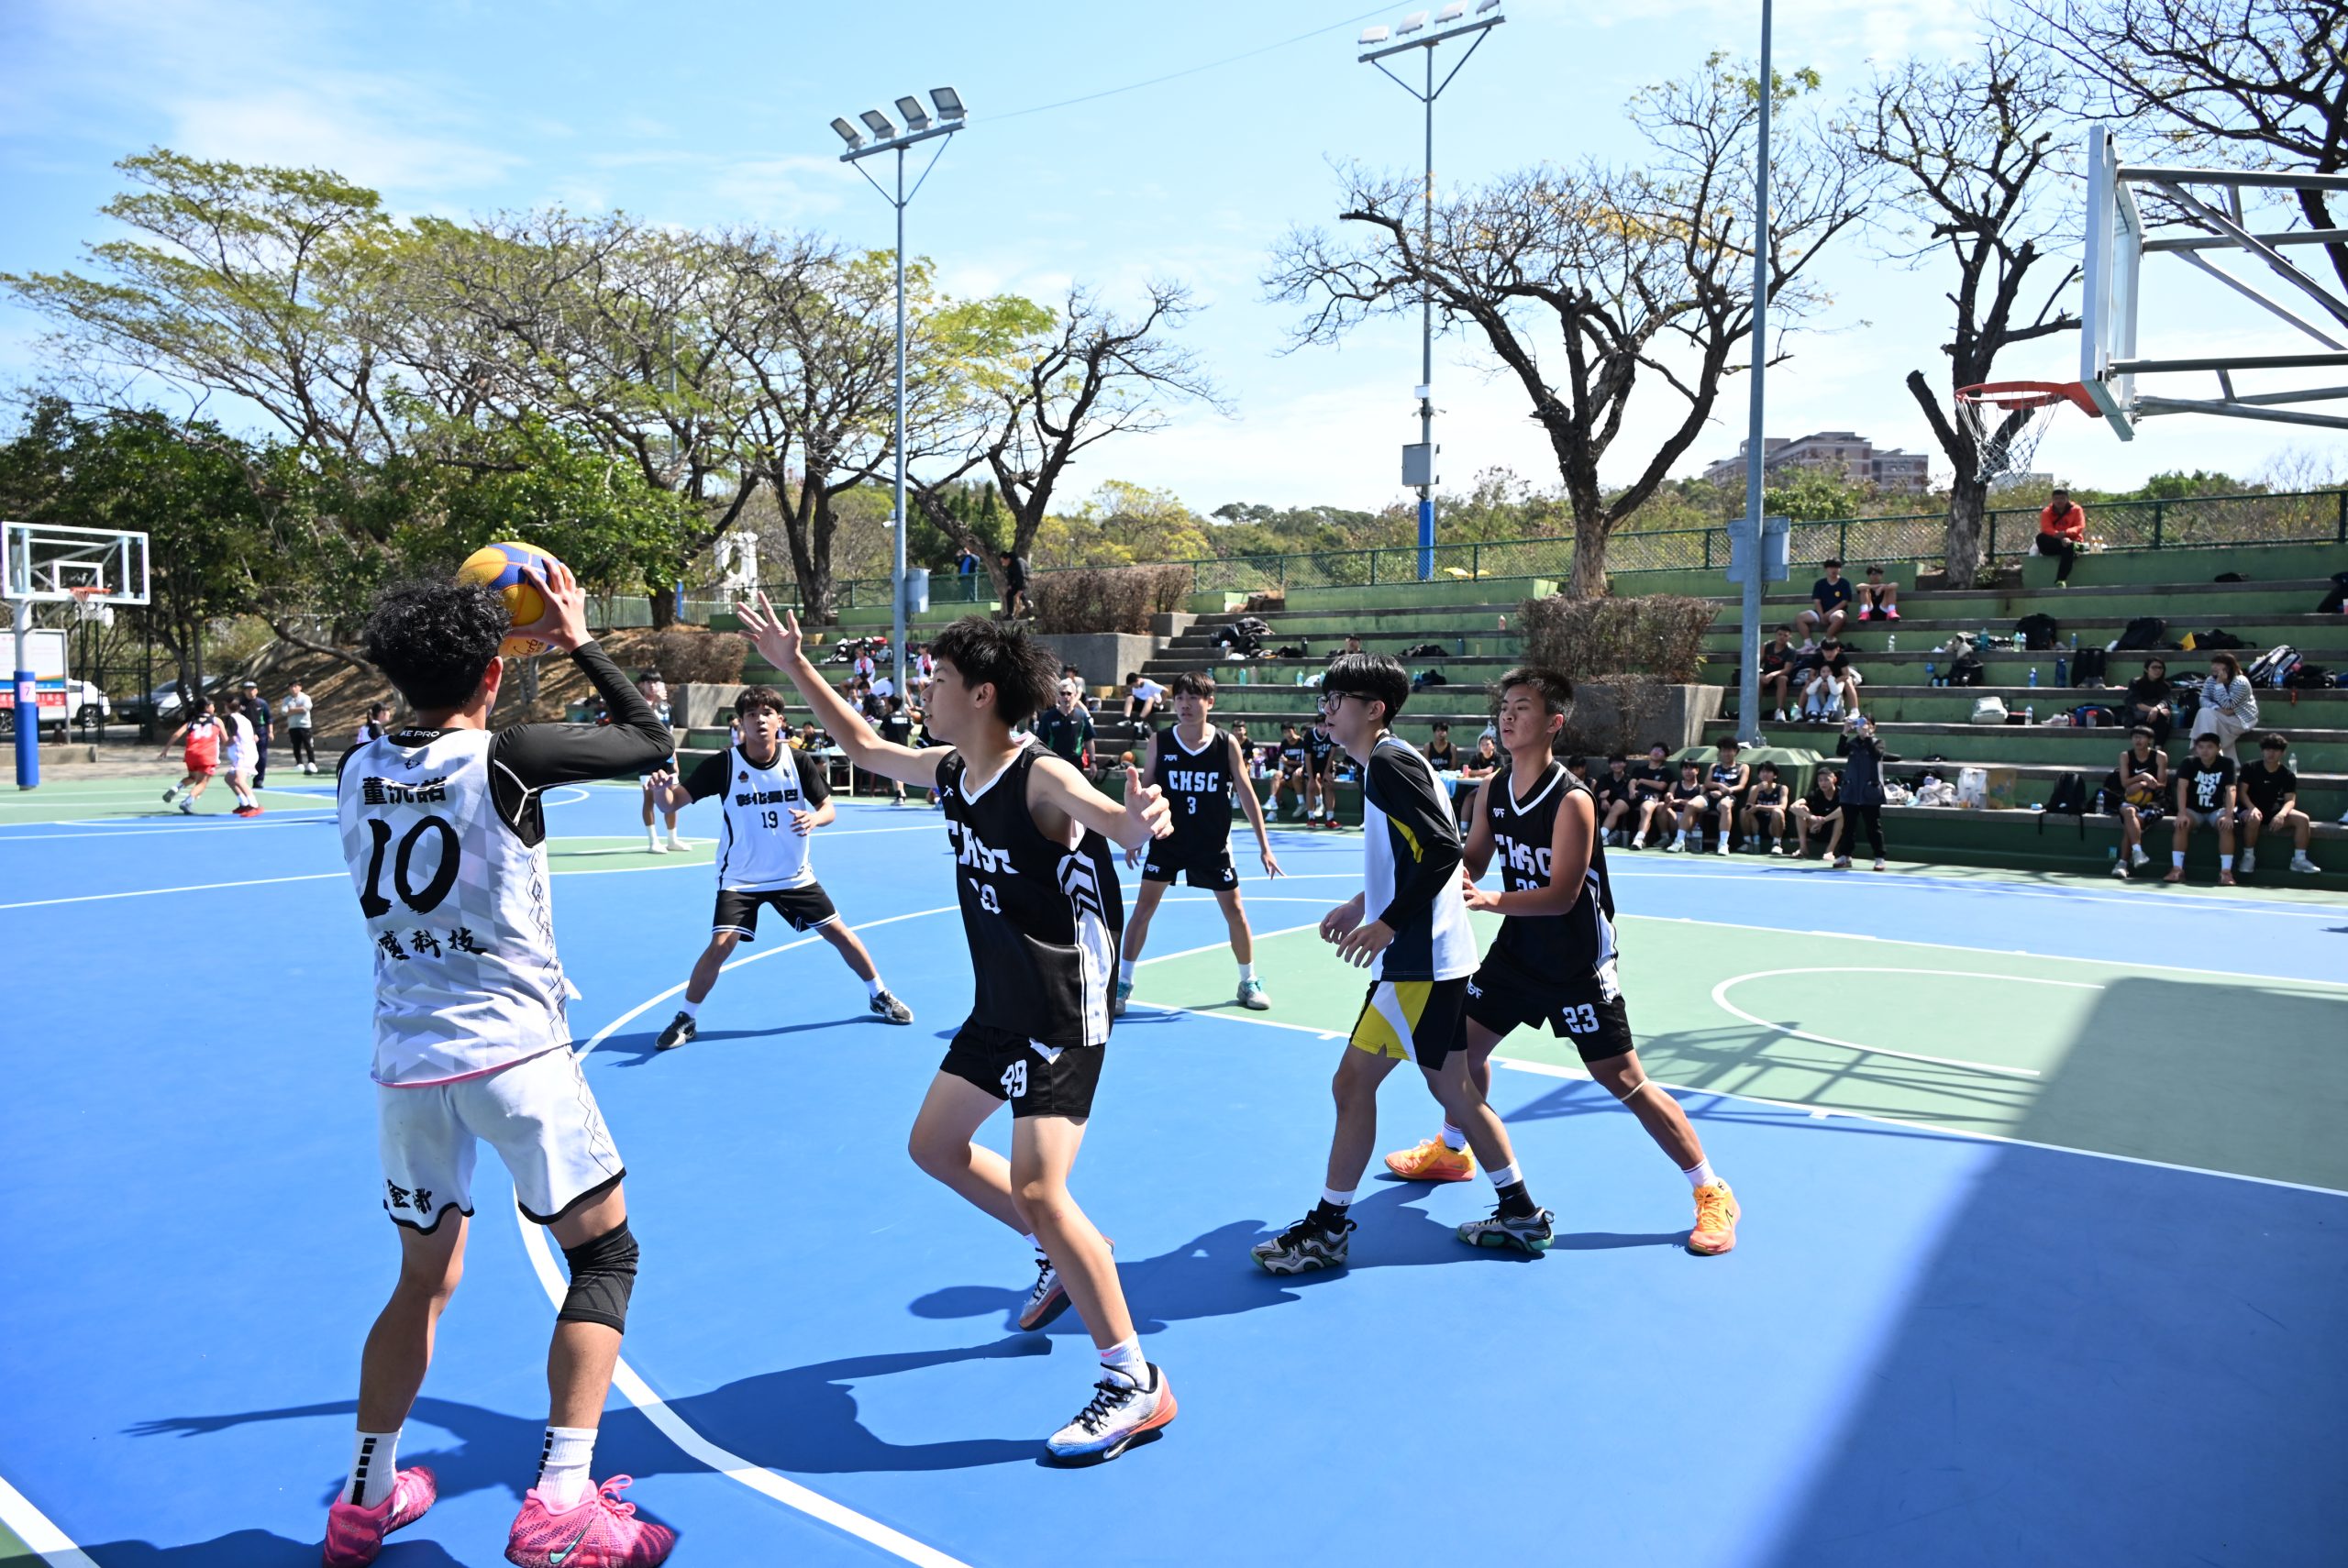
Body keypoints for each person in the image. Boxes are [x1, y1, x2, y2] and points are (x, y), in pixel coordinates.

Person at [736, 594, 1180, 1463]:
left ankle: (1135, 1381)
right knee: (935, 1147)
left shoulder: (1040, 776)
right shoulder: (951, 770)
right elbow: (865, 749)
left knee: (1044, 1190)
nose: (924, 691)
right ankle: (1063, 1252)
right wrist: (794, 666)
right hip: (1001, 1003)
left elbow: (1105, 815)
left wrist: (1134, 822)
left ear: (981, 694)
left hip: (1061, 1008)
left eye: (937, 678)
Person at [324, 565, 677, 1565]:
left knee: (421, 1279)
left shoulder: (353, 764)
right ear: (493, 671)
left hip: (405, 1064)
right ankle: (562, 1499)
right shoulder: (508, 760)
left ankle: (364, 1501)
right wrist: (575, 639)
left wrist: (479, 646)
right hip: (513, 1053)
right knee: (604, 1256)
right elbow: (651, 742)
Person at [1384, 667, 1738, 1253]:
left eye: (1522, 706)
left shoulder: (1572, 800)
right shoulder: (1491, 790)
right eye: (1505, 704)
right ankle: (1453, 1149)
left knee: (1624, 1081)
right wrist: (1416, 875)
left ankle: (1711, 1189)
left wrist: (1491, 899)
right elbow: (1472, 860)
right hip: (1517, 953)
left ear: (1553, 722)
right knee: (1459, 1054)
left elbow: (1563, 895)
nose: (1507, 714)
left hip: (1577, 963)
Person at [1252, 655, 1553, 1274]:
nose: (1326, 711)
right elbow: (1412, 854)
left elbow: (1442, 850)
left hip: (1419, 960)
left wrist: (1387, 923)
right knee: (1453, 1088)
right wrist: (1363, 902)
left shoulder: (1390, 765)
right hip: (1432, 957)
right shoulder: (1390, 763)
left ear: (1374, 709)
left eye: (1337, 700)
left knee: (1353, 1084)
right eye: (1326, 700)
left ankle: (1328, 1229)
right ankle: (1521, 1211)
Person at [648, 688, 914, 1053]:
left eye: (766, 713)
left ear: (779, 720)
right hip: (742, 878)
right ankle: (686, 1018)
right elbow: (671, 804)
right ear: (740, 723)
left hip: (793, 875)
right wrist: (662, 792)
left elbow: (828, 808)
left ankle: (879, 994)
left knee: (839, 933)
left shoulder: (798, 760)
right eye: (751, 714)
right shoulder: (724, 765)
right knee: (721, 945)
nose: (759, 719)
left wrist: (814, 818)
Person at [1116, 672, 1284, 1015]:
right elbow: (1144, 793)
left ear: (1210, 702)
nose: (1185, 704)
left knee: (1235, 912)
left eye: (1193, 698)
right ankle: (1122, 984)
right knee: (1143, 910)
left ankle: (1248, 981)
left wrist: (1264, 846)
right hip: (1167, 840)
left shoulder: (1226, 743)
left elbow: (1247, 794)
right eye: (1180, 698)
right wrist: (1134, 833)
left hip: (1212, 843)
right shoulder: (1160, 741)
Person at [2235, 734, 2318, 877]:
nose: (2271, 753)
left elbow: (2290, 800)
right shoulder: (2250, 767)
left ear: (2283, 752)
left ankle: (2299, 860)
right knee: (2254, 818)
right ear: (2262, 751)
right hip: (2248, 809)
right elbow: (2242, 793)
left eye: (2276, 750)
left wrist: (2281, 815)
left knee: (2303, 819)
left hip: (2273, 812)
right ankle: (2248, 857)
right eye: (2268, 749)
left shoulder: (2288, 774)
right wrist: (2252, 808)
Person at [2168, 730, 2239, 885]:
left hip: (2217, 810)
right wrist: (2181, 813)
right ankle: (2177, 870)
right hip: (2193, 811)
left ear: (2218, 748)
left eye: (2209, 747)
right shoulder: (2189, 762)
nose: (2205, 751)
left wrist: (2229, 815)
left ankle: (2226, 873)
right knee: (2181, 824)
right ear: (2196, 749)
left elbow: (2231, 790)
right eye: (2201, 747)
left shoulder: (2227, 763)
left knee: (2226, 826)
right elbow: (2181, 787)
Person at [625, 672, 683, 855]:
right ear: (642, 685)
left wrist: (675, 758)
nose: (652, 686)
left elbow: (670, 735)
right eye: (648, 682)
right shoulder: (638, 705)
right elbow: (643, 725)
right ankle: (653, 841)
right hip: (648, 758)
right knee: (649, 799)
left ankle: (672, 839)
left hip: (667, 759)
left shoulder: (666, 707)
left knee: (673, 797)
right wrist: (655, 703)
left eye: (656, 682)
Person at [2112, 725, 2167, 878]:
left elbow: (2162, 784)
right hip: (2130, 798)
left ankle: (2123, 863)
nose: (2138, 740)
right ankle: (2137, 853)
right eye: (2135, 737)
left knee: (2131, 824)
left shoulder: (2160, 756)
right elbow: (2125, 783)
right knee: (2129, 811)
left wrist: (2145, 785)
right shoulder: (2125, 756)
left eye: (2142, 737)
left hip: (2153, 801)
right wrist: (2143, 778)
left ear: (2149, 740)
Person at [1835, 716, 1889, 871]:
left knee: (1873, 827)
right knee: (1848, 827)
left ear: (1873, 727)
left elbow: (1876, 755)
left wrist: (1867, 737)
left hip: (1870, 792)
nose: (1863, 727)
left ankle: (1879, 857)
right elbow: (1840, 752)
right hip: (1851, 791)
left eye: (1867, 724)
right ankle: (1845, 855)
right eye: (1860, 724)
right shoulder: (1852, 744)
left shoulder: (1878, 743)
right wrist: (1845, 732)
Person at [160, 695, 224, 815]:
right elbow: (226, 739)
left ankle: (176, 788)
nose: (214, 707)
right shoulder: (216, 721)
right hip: (206, 755)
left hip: (191, 754)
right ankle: (187, 802)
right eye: (212, 705)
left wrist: (165, 750)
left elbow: (176, 735)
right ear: (207, 707)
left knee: (192, 777)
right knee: (202, 783)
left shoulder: (191, 722)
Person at [2190, 651, 2260, 756]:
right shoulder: (2210, 680)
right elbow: (2203, 698)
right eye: (2213, 664)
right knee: (2204, 713)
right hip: (2221, 716)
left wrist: (2219, 684)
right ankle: (2214, 754)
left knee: (2205, 714)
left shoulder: (2241, 682)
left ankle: (2200, 753)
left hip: (2241, 720)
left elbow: (2228, 705)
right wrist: (2216, 709)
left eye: (2218, 664)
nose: (2213, 667)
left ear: (2229, 667)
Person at [1696, 738, 1748, 855]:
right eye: (1723, 750)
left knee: (1725, 805)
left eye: (1729, 750)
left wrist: (1727, 791)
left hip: (1729, 797)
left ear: (1736, 752)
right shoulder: (1714, 766)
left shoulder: (1743, 767)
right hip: (1710, 796)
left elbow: (1741, 786)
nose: (1726, 753)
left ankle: (1723, 844)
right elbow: (1707, 783)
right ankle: (1680, 840)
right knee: (1691, 804)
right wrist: (1719, 785)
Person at [1033, 679, 1095, 772]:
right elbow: (1040, 742)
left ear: (1074, 695)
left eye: (1069, 693)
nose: (1066, 697)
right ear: (1058, 697)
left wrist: (1093, 761)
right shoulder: (1048, 717)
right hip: (1054, 764)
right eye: (1062, 693)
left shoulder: (1081, 716)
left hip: (1075, 764)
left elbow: (1089, 740)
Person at [1626, 741, 1678, 850]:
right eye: (1655, 749)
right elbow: (1632, 781)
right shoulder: (1639, 769)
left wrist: (1642, 780)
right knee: (1617, 805)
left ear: (1665, 757)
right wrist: (1631, 790)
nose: (1656, 752)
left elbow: (1661, 786)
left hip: (1652, 795)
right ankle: (1603, 834)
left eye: (1661, 751)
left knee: (1646, 809)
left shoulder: (1665, 771)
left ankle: (1639, 839)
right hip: (1635, 794)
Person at [221, 695, 264, 816]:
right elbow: (255, 738)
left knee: (239, 780)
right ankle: (244, 804)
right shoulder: (245, 719)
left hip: (243, 754)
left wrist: (224, 745)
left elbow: (234, 738)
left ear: (227, 707)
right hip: (249, 753)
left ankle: (255, 806)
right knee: (229, 779)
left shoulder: (231, 719)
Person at [2036, 484, 2087, 585]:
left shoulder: (2076, 509)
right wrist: (2058, 536)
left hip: (2072, 540)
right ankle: (2073, 547)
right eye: (2056, 499)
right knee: (2040, 538)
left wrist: (2066, 533)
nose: (2059, 501)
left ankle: (2061, 580)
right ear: (2052, 500)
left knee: (2069, 546)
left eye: (2062, 498)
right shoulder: (2046, 512)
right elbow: (2046, 528)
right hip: (2056, 541)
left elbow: (2080, 526)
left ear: (2067, 499)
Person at [1802, 636, 1860, 722]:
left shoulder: (1841, 658)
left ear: (1838, 649)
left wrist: (1832, 683)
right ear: (1822, 650)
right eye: (1826, 651)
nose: (1829, 654)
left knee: (1848, 681)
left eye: (1832, 651)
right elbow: (1811, 675)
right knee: (1808, 682)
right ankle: (1799, 710)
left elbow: (1846, 675)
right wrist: (1820, 683)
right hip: (1822, 680)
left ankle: (1855, 710)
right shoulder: (1818, 657)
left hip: (1839, 681)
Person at [1792, 767, 1844, 859]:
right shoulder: (1816, 793)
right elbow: (1793, 807)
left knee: (1843, 814)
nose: (1823, 783)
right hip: (1816, 829)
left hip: (1837, 833)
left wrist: (1823, 820)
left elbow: (1844, 809)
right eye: (1820, 780)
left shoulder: (1842, 793)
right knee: (1802, 809)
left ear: (1834, 780)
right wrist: (1813, 818)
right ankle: (1803, 849)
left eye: (1826, 780)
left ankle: (1830, 851)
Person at [2123, 657, 2176, 746]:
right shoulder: (2136, 683)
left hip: (2155, 716)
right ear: (2146, 669)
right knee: (2158, 719)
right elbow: (2137, 703)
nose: (2157, 670)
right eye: (2154, 667)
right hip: (2135, 716)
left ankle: (2158, 748)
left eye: (2160, 668)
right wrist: (2154, 710)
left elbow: (2166, 700)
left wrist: (2157, 709)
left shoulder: (2164, 686)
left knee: (2164, 718)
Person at [1741, 761, 1789, 854]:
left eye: (1768, 772)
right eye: (1763, 771)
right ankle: (1747, 842)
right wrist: (1757, 789)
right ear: (1759, 775)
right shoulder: (1754, 788)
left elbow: (1783, 807)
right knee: (1743, 811)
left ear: (1775, 775)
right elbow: (1748, 807)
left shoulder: (1782, 788)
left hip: (1773, 825)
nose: (1765, 774)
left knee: (1778, 811)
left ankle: (1776, 844)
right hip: (1757, 825)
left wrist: (1759, 807)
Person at [1799, 558, 1855, 636]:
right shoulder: (1819, 584)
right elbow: (1817, 601)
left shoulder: (1844, 583)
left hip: (1836, 612)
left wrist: (1829, 613)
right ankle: (1808, 642)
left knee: (1839, 617)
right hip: (1820, 613)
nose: (1834, 570)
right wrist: (1822, 615)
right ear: (1825, 569)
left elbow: (1844, 602)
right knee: (1800, 618)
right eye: (1831, 567)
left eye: (1836, 567)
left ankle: (1826, 640)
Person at [1661, 761, 1708, 852]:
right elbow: (1668, 801)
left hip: (1692, 819)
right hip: (1675, 817)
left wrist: (1680, 801)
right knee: (1661, 806)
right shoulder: (1675, 784)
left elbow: (1699, 805)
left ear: (1697, 770)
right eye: (1685, 769)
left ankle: (1684, 839)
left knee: (1694, 809)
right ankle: (1665, 837)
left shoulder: (1702, 787)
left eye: (1691, 769)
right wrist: (1668, 797)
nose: (1688, 772)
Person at [1304, 717, 1341, 826]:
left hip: (1326, 764)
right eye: (1320, 726)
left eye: (1325, 726)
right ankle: (1311, 818)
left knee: (1329, 785)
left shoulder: (1332, 734)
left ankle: (1330, 819)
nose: (1323, 729)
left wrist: (1326, 773)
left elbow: (1331, 755)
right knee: (1310, 787)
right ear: (1316, 726)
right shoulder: (1309, 735)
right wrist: (1311, 779)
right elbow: (1307, 758)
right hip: (1312, 764)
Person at [1594, 755, 1637, 846]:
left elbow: (1625, 795)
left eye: (1619, 762)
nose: (1616, 765)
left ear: (1625, 764)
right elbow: (1598, 791)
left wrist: (1610, 791)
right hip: (1604, 806)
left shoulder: (1628, 779)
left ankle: (1605, 836)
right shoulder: (1605, 777)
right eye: (1613, 763)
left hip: (1621, 807)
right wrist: (1604, 799)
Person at [1759, 625, 1799, 723]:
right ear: (1775, 635)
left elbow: (1787, 670)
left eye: (1785, 635)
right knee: (1757, 680)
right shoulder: (1767, 646)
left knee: (1782, 679)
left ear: (1789, 637)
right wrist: (1760, 673)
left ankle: (1780, 711)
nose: (1782, 637)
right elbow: (1757, 662)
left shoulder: (1791, 651)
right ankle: (1753, 710)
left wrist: (1772, 675)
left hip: (1780, 676)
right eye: (1780, 634)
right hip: (1766, 675)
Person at [240, 679, 273, 787]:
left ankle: (259, 780)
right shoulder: (240, 704)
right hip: (245, 732)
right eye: (248, 689)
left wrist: (270, 732)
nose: (250, 691)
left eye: (253, 689)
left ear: (256, 690)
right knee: (244, 756)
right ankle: (242, 779)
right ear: (244, 691)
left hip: (260, 731)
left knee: (262, 756)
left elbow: (269, 718)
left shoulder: (262, 703)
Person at [1271, 723, 1310, 815]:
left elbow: (1303, 762)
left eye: (1289, 731)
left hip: (1300, 773)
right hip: (1288, 772)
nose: (1287, 734)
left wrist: (1288, 762)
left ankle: (1302, 804)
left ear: (1294, 730)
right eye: (1285, 732)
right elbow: (1281, 759)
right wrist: (1287, 766)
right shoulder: (1284, 743)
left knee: (1294, 775)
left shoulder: (1302, 742)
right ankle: (1273, 805)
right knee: (1277, 777)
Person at [282, 679, 317, 774]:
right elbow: (284, 711)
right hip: (293, 726)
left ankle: (311, 763)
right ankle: (299, 763)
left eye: (295, 686)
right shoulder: (286, 699)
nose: (293, 688)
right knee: (296, 746)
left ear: (300, 687)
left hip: (305, 726)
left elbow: (306, 708)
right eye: (291, 687)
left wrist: (292, 710)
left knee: (308, 745)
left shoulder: (305, 697)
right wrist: (298, 709)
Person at [997, 548, 1031, 620]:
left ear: (1008, 559)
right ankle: (1010, 614)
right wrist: (1009, 585)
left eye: (1003, 561)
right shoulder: (1010, 565)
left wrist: (1021, 589)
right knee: (1009, 594)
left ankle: (1030, 611)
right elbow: (1010, 576)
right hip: (1019, 581)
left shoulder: (1018, 562)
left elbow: (1022, 576)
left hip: (1027, 579)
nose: (1002, 564)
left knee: (1022, 595)